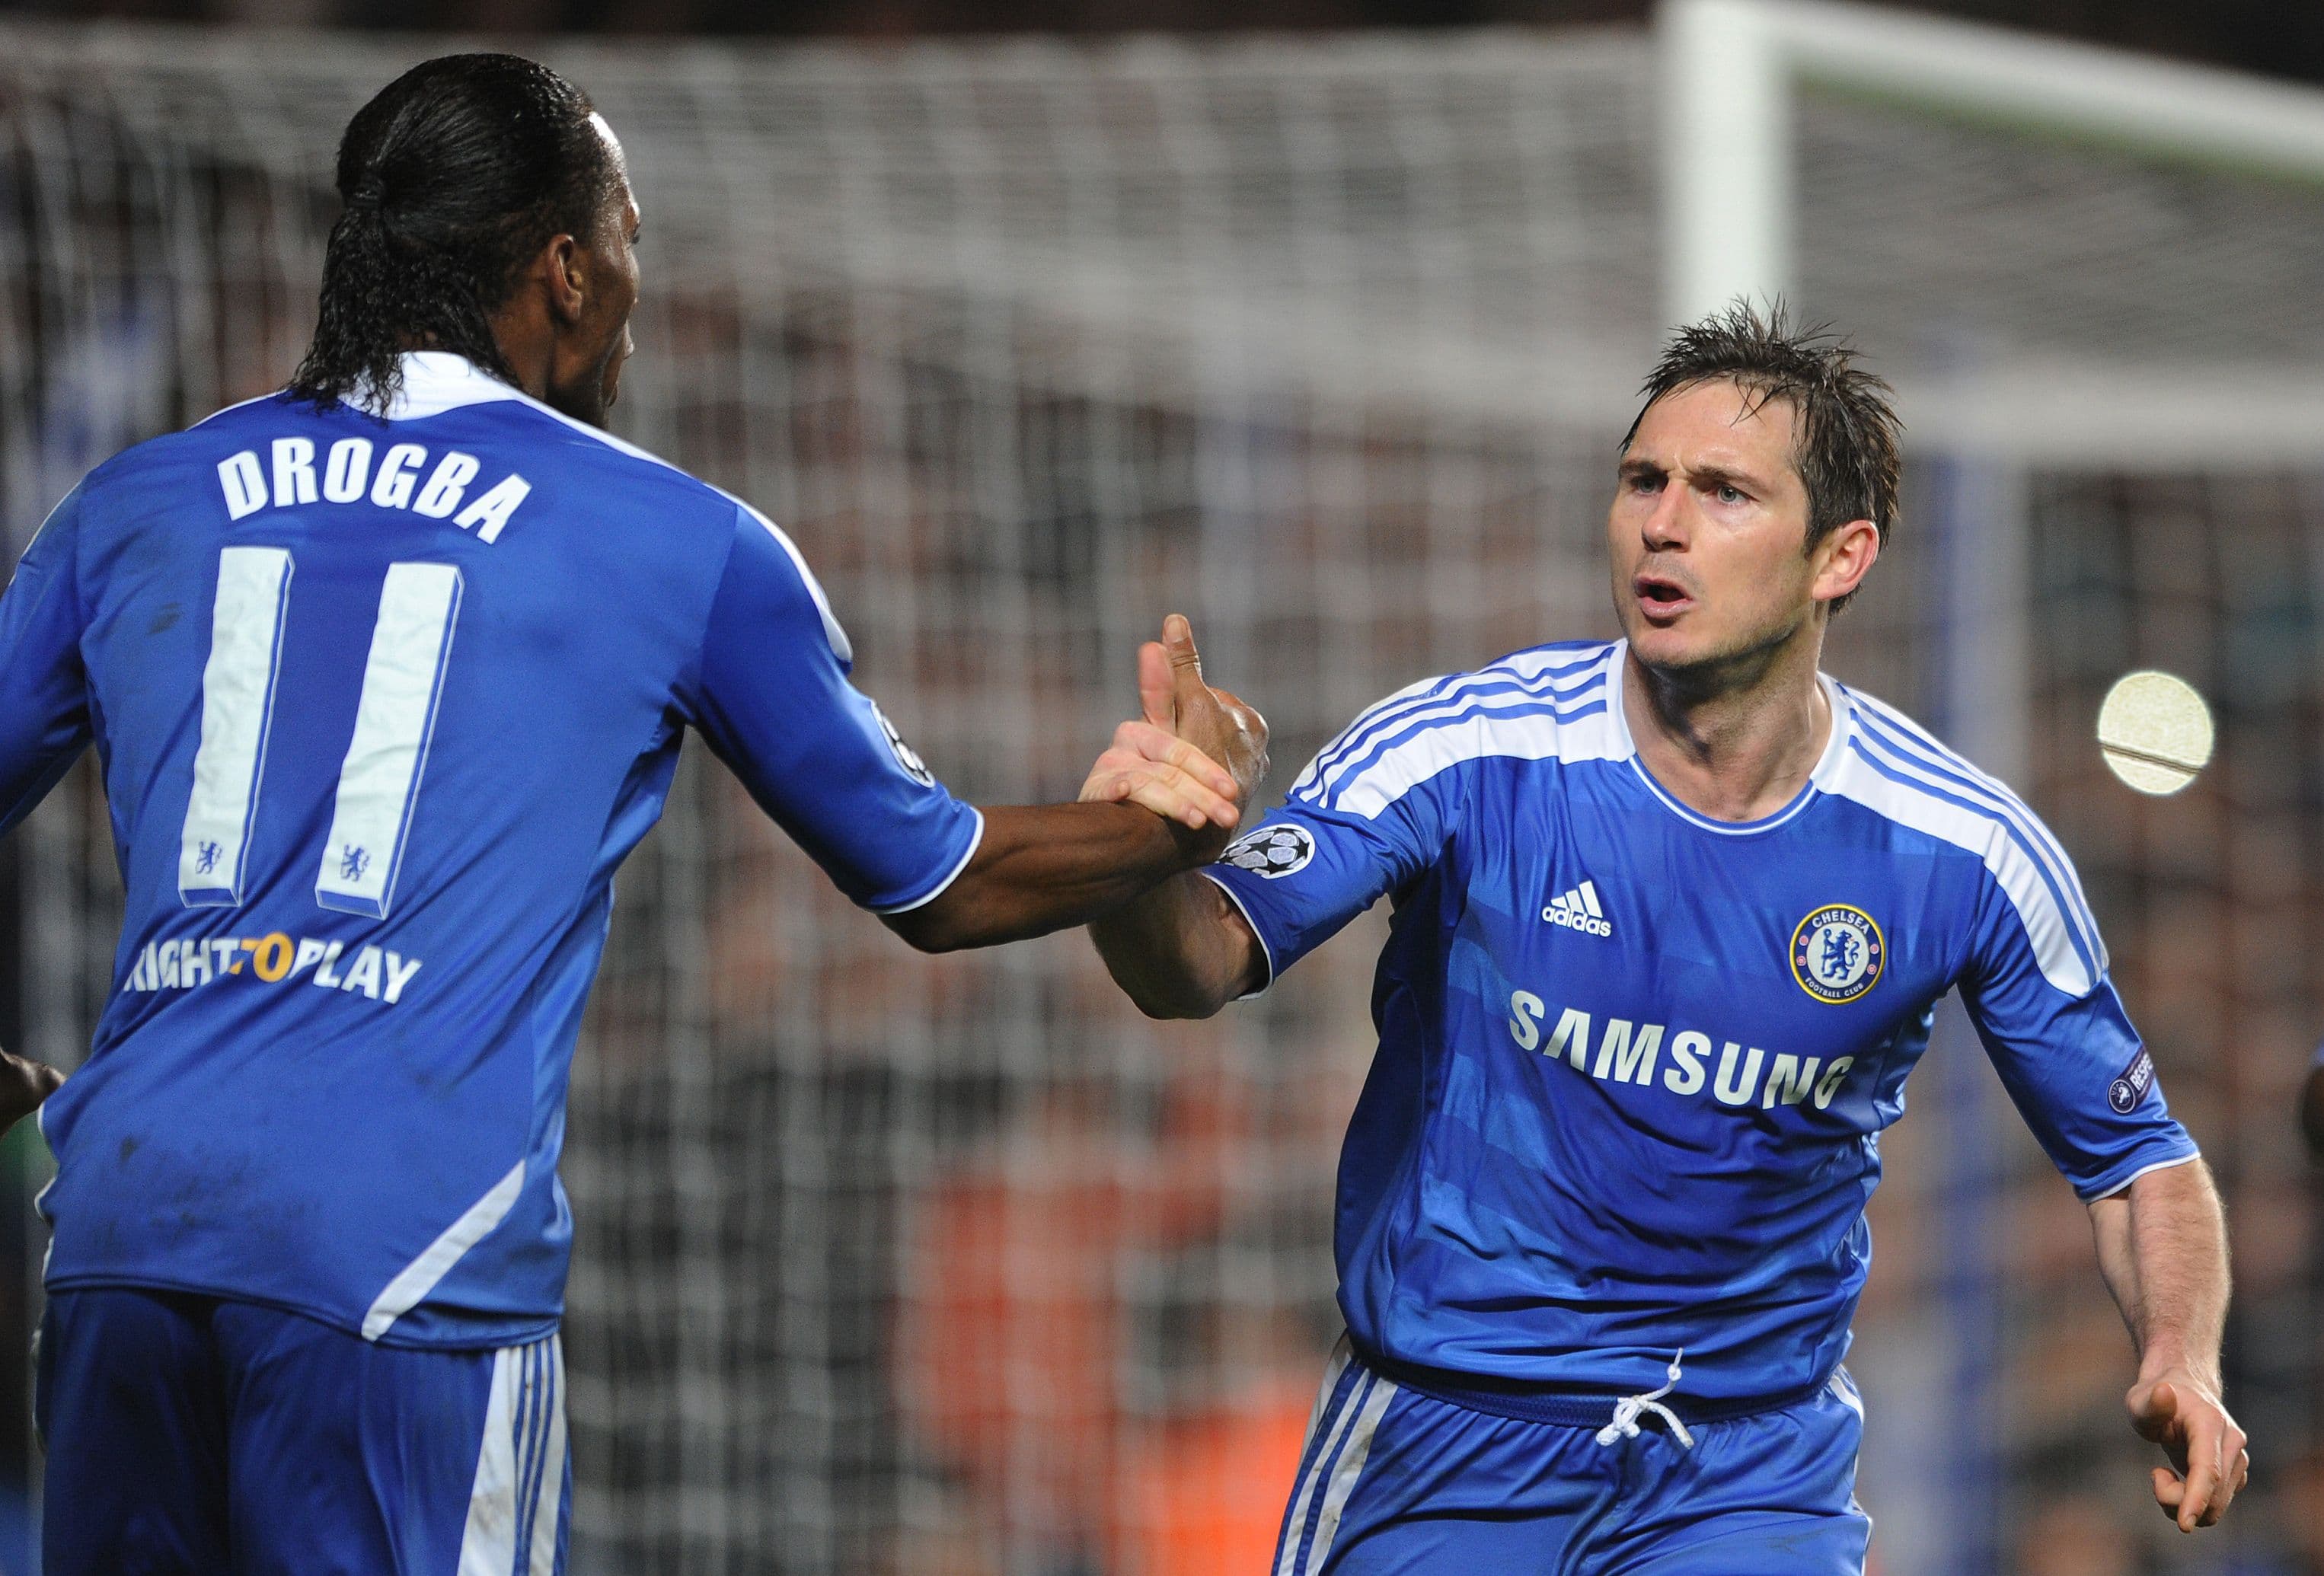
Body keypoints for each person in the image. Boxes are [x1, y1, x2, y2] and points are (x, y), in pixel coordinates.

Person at [0, 54, 1263, 1575]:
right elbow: (936, 886)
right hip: (404, 1254)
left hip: (124, 1229)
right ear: (565, 270)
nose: (639, 290)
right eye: (633, 239)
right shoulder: (677, 539)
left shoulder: (136, 499)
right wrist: (1165, 822)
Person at [1090, 305, 2246, 1573]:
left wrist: (2180, 1355)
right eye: (1643, 479)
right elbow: (1196, 963)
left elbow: (2138, 1157)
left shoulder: (1962, 850)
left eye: (1724, 492)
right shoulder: (1467, 749)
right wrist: (1145, 853)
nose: (1663, 521)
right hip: (1451, 1433)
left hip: (1747, 1470)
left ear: (1839, 557)